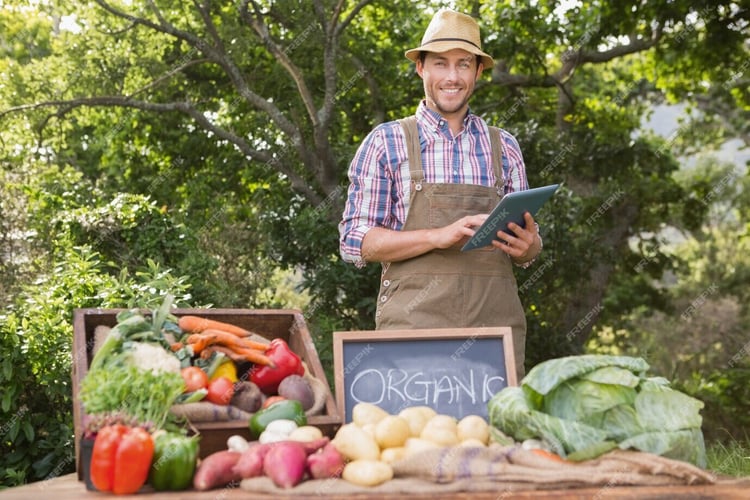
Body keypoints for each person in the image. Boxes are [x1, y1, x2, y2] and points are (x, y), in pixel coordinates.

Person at [338, 9, 542, 381]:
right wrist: (437, 236)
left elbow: (528, 250)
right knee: (414, 438)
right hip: (413, 338)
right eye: (440, 64)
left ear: (478, 72)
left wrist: (529, 246)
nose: (452, 77)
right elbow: (355, 243)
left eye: (463, 65)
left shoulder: (505, 147)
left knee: (497, 439)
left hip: (493, 341)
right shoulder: (386, 142)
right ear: (421, 68)